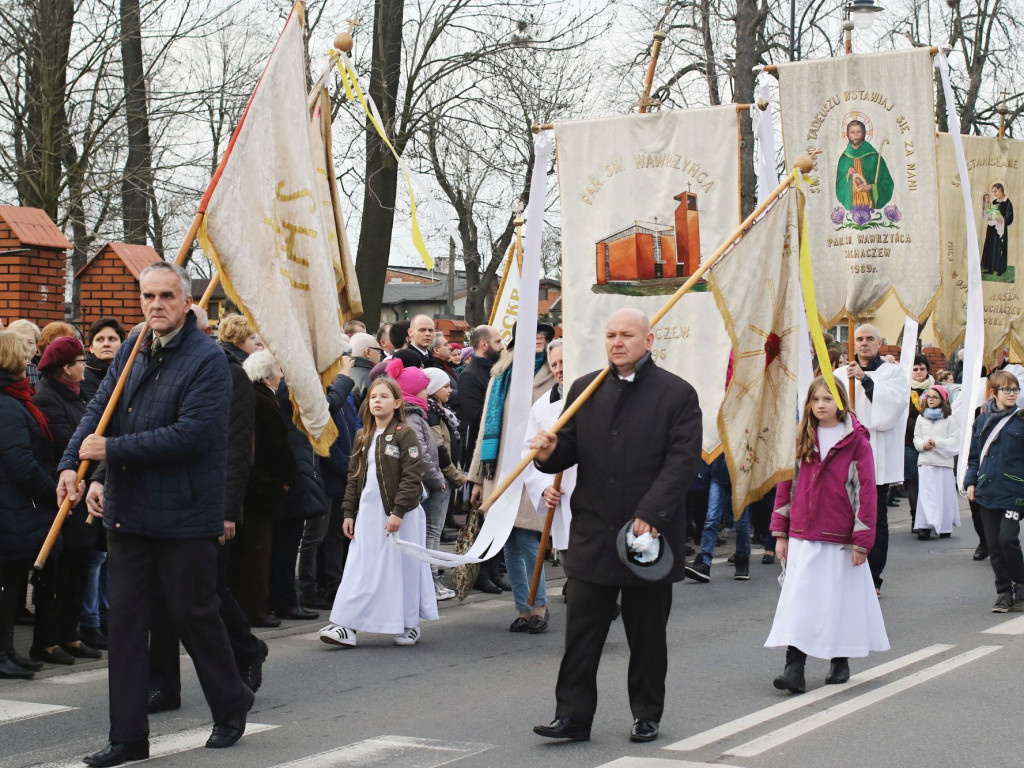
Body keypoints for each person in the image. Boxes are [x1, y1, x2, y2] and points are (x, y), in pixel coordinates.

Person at [57, 262, 253, 765]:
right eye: (148, 296)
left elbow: (192, 435)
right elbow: (99, 412)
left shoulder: (208, 359)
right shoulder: (131, 348)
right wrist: (73, 470)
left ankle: (231, 704)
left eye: (167, 296)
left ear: (186, 302)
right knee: (125, 626)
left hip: (186, 513)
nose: (156, 305)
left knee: (193, 613)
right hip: (128, 513)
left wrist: (110, 453)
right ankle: (127, 738)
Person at [530, 308, 702, 744]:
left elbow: (682, 462)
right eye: (610, 335)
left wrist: (652, 512)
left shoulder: (677, 394)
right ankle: (572, 717)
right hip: (593, 532)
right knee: (581, 634)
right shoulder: (584, 388)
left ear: (649, 340)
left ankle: (646, 713)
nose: (617, 342)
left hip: (647, 536)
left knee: (646, 635)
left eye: (627, 334)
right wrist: (548, 451)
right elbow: (567, 449)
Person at [767, 377, 888, 692]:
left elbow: (866, 494)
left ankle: (840, 658)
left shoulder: (856, 441)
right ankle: (794, 666)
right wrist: (780, 532)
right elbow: (786, 485)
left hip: (840, 536)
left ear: (841, 403)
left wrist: (862, 541)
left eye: (828, 399)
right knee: (800, 599)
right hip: (803, 532)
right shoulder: (801, 437)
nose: (821, 405)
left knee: (838, 600)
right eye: (815, 399)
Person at [318, 376, 438, 648]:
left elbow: (412, 476)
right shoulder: (363, 436)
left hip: (401, 516)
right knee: (360, 567)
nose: (377, 402)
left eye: (383, 397)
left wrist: (398, 512)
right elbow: (354, 476)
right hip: (368, 515)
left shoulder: (404, 433)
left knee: (403, 567)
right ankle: (345, 626)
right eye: (373, 397)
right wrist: (349, 512)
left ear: (397, 403)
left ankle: (408, 624)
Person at [468, 324, 556, 623]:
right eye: (532, 336)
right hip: (501, 470)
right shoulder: (500, 376)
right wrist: (478, 478)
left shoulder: (554, 377)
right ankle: (522, 608)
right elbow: (485, 430)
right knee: (509, 540)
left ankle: (539, 606)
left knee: (529, 539)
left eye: (543, 337)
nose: (538, 341)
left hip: (535, 469)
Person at [30, 337, 101, 666]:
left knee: (79, 568)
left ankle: (70, 633)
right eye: (79, 362)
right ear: (64, 368)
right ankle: (47, 640)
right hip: (62, 494)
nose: (84, 367)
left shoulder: (76, 396)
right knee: (57, 574)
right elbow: (66, 441)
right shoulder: (48, 398)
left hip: (82, 494)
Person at [834, 324, 908, 594]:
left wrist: (865, 379)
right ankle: (849, 574)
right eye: (859, 339)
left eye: (869, 339)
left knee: (874, 518)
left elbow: (891, 409)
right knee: (844, 515)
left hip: (877, 455)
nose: (864, 343)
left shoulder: (893, 373)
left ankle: (874, 577)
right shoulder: (840, 375)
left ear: (879, 342)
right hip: (845, 454)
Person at [0, 331, 56, 680]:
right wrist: (53, 492)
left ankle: (7, 650)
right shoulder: (6, 404)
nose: (29, 358)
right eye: (23, 352)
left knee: (12, 582)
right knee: (6, 583)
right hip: (9, 505)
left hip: (15, 506)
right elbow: (19, 462)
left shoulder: (14, 399)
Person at [234, 351, 297, 628]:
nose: (281, 376)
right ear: (268, 375)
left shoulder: (248, 397)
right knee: (258, 552)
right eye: (279, 372)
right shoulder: (263, 402)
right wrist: (287, 476)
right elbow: (277, 448)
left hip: (250, 487)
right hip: (261, 488)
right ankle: (256, 609)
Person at [964, 370, 1024, 612]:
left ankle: (1020, 584)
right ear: (993, 393)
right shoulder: (980, 420)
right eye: (1006, 389)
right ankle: (1003, 592)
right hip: (987, 490)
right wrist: (971, 482)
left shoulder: (1021, 420)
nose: (1011, 394)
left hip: (1014, 491)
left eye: (1015, 389)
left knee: (1007, 539)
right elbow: (975, 456)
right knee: (994, 545)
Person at [423, 368, 464, 600]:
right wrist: (455, 475)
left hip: (443, 477)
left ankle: (433, 578)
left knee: (433, 530)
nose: (450, 391)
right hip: (439, 479)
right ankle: (433, 579)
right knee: (433, 531)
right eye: (446, 386)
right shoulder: (431, 413)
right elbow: (439, 450)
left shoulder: (440, 410)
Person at [912, 385, 960, 540]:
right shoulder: (921, 417)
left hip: (943, 463)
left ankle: (944, 526)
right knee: (926, 495)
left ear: (942, 400)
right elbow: (917, 437)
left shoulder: (949, 419)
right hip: (926, 462)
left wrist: (937, 442)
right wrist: (922, 445)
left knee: (943, 495)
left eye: (935, 397)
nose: (931, 399)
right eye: (929, 397)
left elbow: (955, 441)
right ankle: (924, 526)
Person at [835, 118, 894, 222]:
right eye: (852, 132)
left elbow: (887, 183)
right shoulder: (844, 159)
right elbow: (839, 186)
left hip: (871, 207)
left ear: (864, 133)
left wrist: (872, 187)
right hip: (851, 208)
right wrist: (847, 175)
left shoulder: (875, 157)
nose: (855, 135)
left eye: (858, 132)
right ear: (848, 135)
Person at [906, 355, 933, 531]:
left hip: (931, 442)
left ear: (927, 370)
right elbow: (902, 415)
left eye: (922, 369)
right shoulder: (904, 388)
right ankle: (916, 517)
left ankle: (930, 518)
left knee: (929, 482)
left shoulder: (935, 389)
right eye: (915, 369)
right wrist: (918, 428)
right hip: (909, 441)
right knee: (913, 481)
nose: (918, 372)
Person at [82, 318, 125, 402]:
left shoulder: (130, 372)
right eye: (100, 340)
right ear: (91, 348)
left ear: (122, 345)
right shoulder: (84, 378)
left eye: (112, 339)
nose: (106, 344)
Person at [981, 183, 1013, 276]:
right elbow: (989, 212)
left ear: (1000, 190)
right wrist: (989, 217)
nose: (994, 194)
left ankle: (1000, 270)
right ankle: (990, 269)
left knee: (1000, 248)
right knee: (990, 248)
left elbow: (1010, 218)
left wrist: (1002, 219)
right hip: (991, 229)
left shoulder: (1008, 203)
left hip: (1000, 230)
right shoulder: (994, 202)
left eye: (995, 191)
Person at [349, 332, 383, 407]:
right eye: (378, 350)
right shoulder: (371, 378)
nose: (380, 354)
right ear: (367, 352)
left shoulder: (342, 374)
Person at [7, 319, 41, 387]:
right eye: (19, 341)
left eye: (30, 342)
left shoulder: (47, 373)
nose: (25, 347)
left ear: (36, 346)